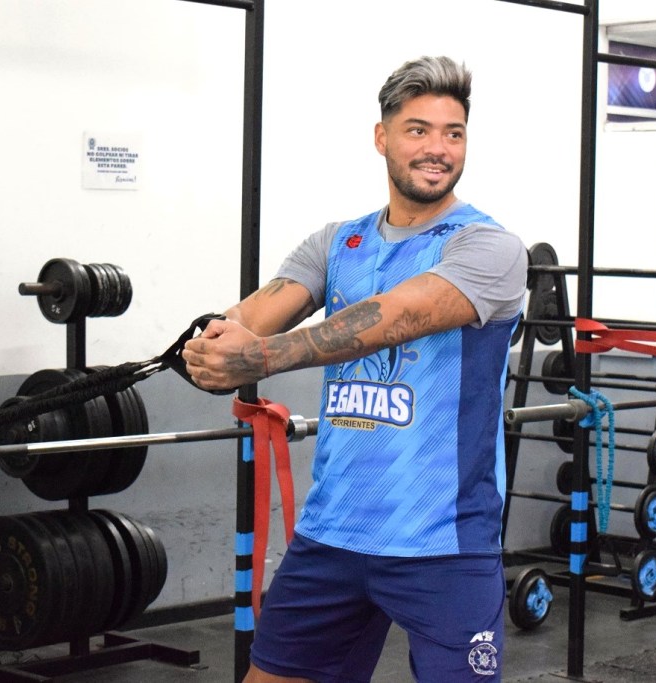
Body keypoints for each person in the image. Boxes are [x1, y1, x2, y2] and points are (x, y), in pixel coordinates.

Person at [184, 56, 527, 681]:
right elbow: (254, 316)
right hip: (332, 534)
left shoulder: (488, 247)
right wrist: (210, 344)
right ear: (382, 137)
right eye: (418, 130)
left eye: (453, 133)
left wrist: (257, 357)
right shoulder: (337, 242)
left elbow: (395, 316)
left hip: (442, 542)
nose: (438, 149)